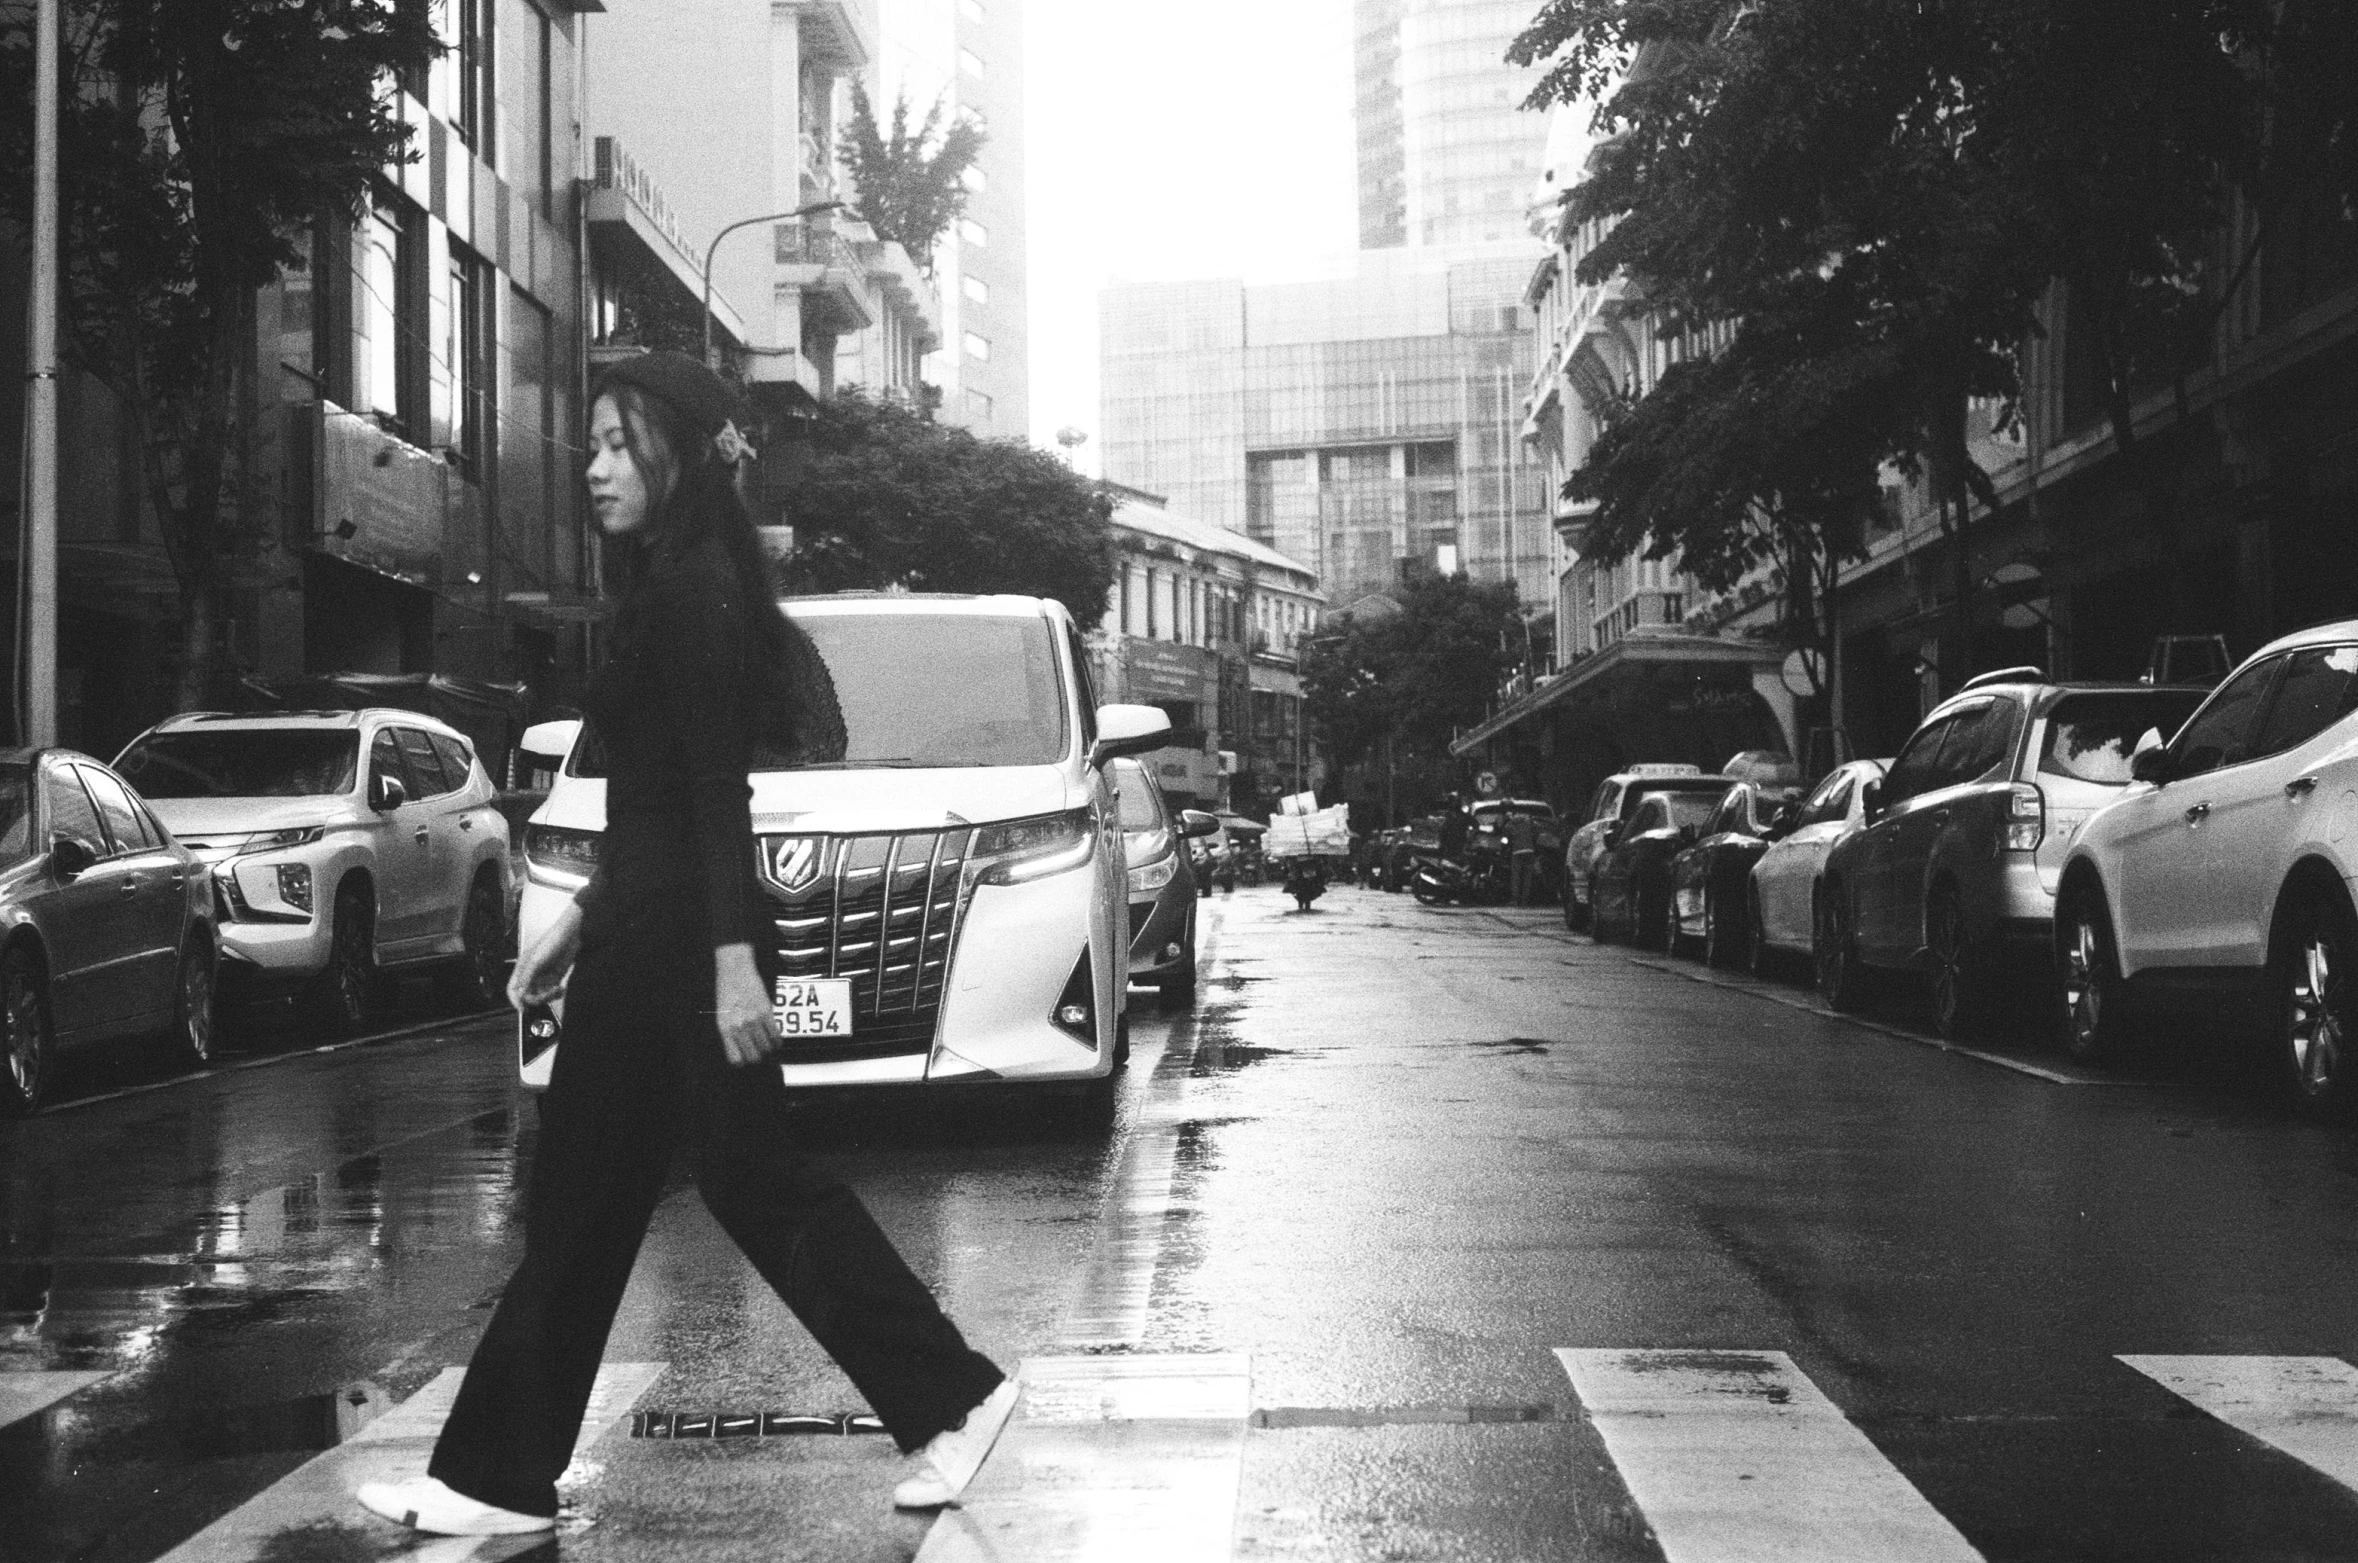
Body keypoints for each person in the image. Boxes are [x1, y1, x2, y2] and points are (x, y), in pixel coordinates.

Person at [356, 353, 1016, 1538]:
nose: (596, 467)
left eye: (618, 444)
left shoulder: (696, 588)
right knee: (593, 1203)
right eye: (592, 444)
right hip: (647, 934)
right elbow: (652, 801)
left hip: (681, 951)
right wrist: (577, 918)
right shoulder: (673, 583)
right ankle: (494, 1478)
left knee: (731, 1185)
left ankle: (953, 1398)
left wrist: (730, 962)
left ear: (677, 454)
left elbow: (716, 794)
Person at [1504, 808, 1540, 906]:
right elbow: (1537, 829)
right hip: (1529, 850)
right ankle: (1525, 900)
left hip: (1517, 852)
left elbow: (1507, 835)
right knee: (1527, 876)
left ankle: (1515, 900)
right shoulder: (1530, 822)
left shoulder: (1511, 823)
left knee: (1516, 876)